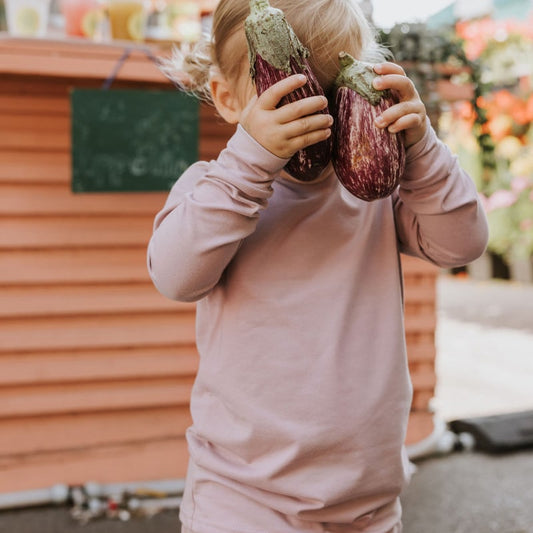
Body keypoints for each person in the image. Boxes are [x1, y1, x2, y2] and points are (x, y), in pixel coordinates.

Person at [147, 0, 489, 531]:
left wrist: (422, 150)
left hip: (367, 498)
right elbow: (175, 275)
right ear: (228, 99)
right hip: (244, 499)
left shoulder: (373, 195)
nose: (323, 121)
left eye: (339, 95)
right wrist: (249, 163)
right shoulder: (217, 188)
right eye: (292, 97)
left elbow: (462, 244)